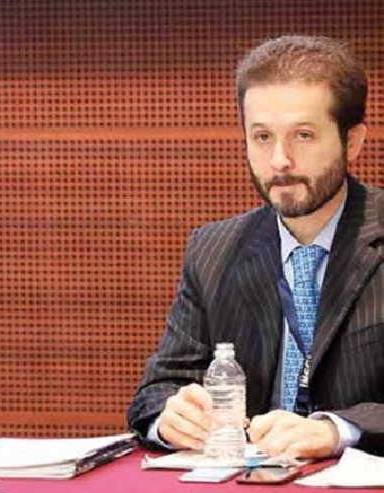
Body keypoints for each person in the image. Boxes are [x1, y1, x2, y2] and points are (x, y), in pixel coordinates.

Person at [127, 36, 383, 459]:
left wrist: (338, 430)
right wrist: (170, 418)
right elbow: (156, 391)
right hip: (246, 485)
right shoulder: (213, 251)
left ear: (352, 141)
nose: (280, 160)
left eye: (303, 135)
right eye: (262, 137)